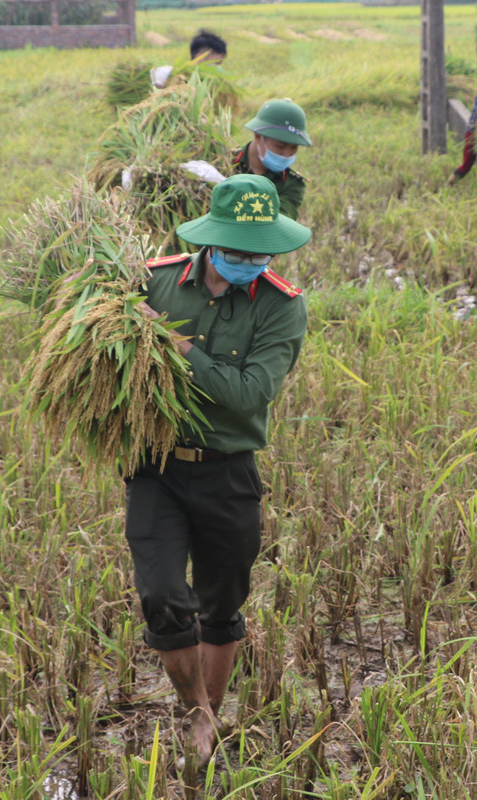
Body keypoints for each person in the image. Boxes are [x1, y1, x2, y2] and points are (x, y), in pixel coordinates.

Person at [127, 173, 310, 768]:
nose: (250, 263)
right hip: (156, 467)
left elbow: (249, 392)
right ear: (211, 243)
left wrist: (180, 350)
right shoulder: (152, 281)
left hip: (229, 472)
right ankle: (193, 711)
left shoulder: (282, 307)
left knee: (222, 603)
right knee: (161, 596)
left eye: (261, 254)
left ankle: (209, 714)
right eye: (238, 253)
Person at [231, 99, 311, 220]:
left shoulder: (291, 184)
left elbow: (278, 223)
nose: (287, 154)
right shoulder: (225, 163)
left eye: (294, 148)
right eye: (280, 146)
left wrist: (226, 186)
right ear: (258, 136)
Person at [149, 29, 228, 88]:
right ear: (199, 58)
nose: (218, 68)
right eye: (216, 63)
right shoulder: (166, 74)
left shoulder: (214, 86)